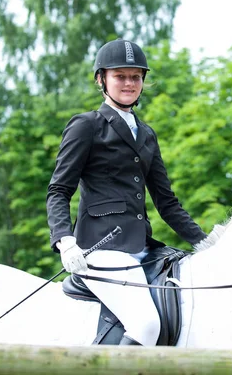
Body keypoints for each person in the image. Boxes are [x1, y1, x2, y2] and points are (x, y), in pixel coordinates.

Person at [46, 38, 208, 346]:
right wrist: (65, 241)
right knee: (147, 325)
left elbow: (167, 202)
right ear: (101, 79)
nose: (129, 83)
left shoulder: (146, 134)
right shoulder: (86, 126)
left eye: (135, 76)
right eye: (120, 76)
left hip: (144, 248)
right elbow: (58, 190)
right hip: (100, 248)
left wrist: (205, 241)